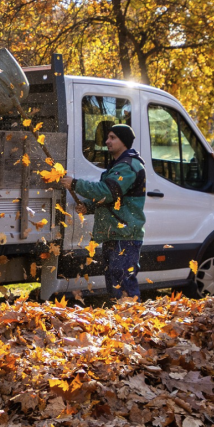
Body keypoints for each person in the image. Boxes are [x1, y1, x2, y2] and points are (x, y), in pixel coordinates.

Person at [60, 124, 146, 299]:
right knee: (116, 287)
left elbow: (106, 191)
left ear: (124, 141)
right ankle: (121, 322)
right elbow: (111, 199)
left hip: (125, 237)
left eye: (113, 137)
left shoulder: (128, 167)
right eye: (108, 137)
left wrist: (75, 184)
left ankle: (130, 323)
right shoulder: (118, 166)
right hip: (115, 235)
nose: (107, 141)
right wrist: (89, 206)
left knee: (124, 287)